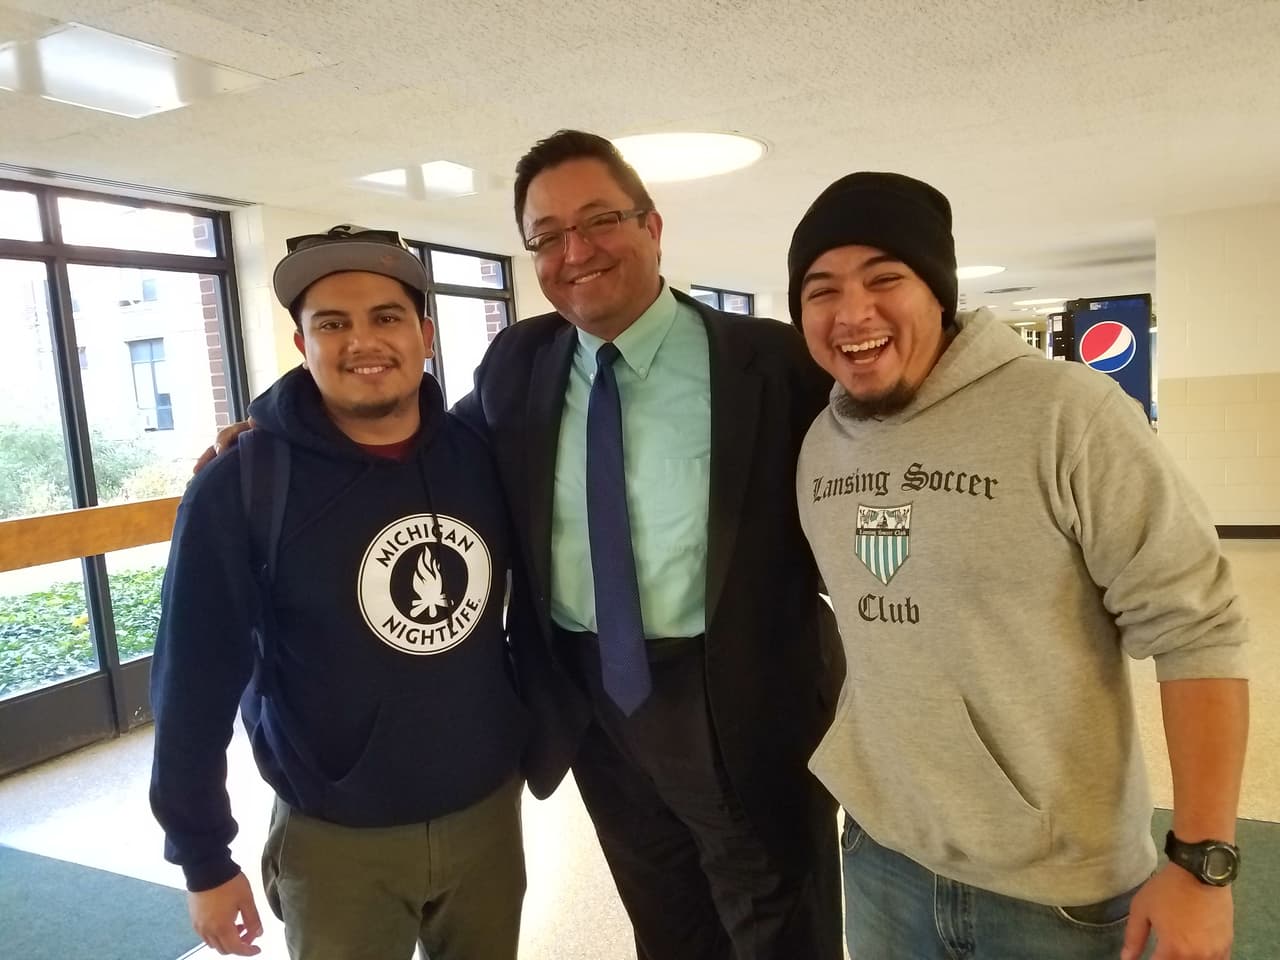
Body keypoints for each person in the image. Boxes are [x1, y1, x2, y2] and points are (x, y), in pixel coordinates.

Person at [788, 172, 1250, 959]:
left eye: (885, 278)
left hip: (1058, 892)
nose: (852, 312)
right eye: (821, 289)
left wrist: (1202, 865)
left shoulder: (1070, 414)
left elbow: (1197, 632)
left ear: (939, 291)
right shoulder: (820, 446)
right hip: (881, 861)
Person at [451, 129, 844, 959]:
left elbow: (891, 433)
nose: (576, 251)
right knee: (666, 921)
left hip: (739, 691)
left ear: (653, 226)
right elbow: (422, 455)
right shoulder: (519, 363)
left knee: (778, 922)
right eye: (547, 236)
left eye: (599, 221)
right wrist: (274, 433)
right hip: (593, 703)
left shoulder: (770, 363)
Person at [150, 225, 527, 959]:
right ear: (302, 344)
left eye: (386, 317)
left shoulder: (481, 456)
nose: (363, 341)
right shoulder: (242, 486)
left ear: (424, 335)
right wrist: (203, 857)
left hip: (486, 818)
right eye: (332, 323)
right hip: (335, 837)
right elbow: (191, 682)